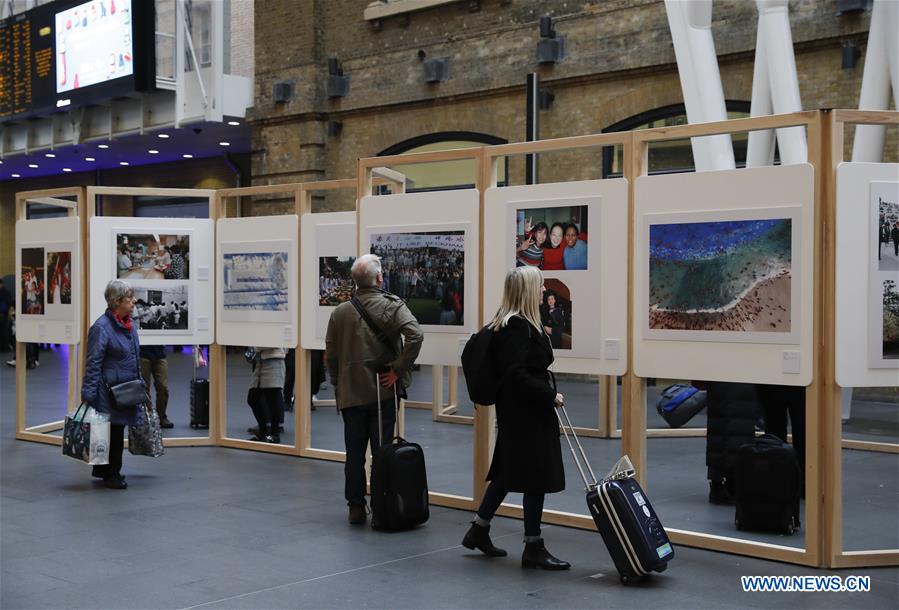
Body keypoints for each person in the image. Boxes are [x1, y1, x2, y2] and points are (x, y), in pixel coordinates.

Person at [461, 266, 570, 570]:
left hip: (520, 410)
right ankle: (532, 546)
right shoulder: (517, 327)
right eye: (539, 287)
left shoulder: (512, 324)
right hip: (527, 412)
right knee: (535, 476)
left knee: (509, 471)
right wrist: (549, 395)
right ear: (526, 292)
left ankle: (479, 529)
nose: (543, 292)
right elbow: (515, 373)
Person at [326, 254, 423, 525]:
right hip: (382, 393)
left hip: (351, 395)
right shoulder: (391, 305)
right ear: (379, 278)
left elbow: (331, 356)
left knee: (353, 455)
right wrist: (399, 369)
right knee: (382, 454)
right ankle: (383, 505)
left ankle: (355, 506)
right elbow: (416, 334)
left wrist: (338, 385)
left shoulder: (339, 312)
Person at [81, 279, 143, 490]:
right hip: (108, 391)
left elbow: (134, 356)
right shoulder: (101, 327)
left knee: (113, 430)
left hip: (124, 389)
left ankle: (102, 469)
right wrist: (88, 392)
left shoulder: (129, 324)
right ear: (117, 302)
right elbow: (94, 362)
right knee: (114, 432)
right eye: (129, 298)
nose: (133, 301)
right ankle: (112, 474)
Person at [247, 347, 287, 443]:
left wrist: (255, 347)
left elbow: (274, 341)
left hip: (274, 361)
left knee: (273, 398)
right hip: (260, 362)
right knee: (253, 398)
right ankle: (264, 432)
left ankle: (274, 434)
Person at [140, 344, 173, 428]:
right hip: (142, 353)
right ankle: (149, 417)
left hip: (160, 354)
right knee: (144, 388)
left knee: (163, 387)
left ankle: (161, 416)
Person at [0, 279, 11, 352]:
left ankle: (5, 347)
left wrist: (2, 311)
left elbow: (6, 304)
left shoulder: (5, 293)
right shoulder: (5, 292)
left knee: (4, 331)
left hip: (3, 314)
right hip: (3, 314)